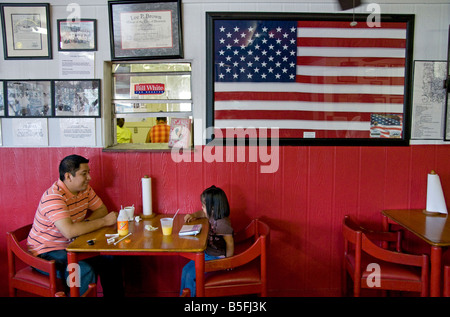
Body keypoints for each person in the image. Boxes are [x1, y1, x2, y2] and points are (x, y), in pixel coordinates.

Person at [27, 154, 124, 296]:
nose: (89, 177)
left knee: (110, 258)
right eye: (84, 174)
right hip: (45, 252)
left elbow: (101, 210)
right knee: (83, 269)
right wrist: (103, 222)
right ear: (68, 176)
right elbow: (69, 232)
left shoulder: (85, 189)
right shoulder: (54, 197)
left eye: (89, 172)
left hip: (72, 246)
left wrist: (84, 225)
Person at [179, 185, 234, 296]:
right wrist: (193, 215)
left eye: (204, 206)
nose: (202, 208)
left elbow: (230, 242)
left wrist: (228, 262)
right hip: (208, 252)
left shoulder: (222, 223)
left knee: (190, 275)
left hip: (217, 256)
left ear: (212, 208)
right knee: (185, 270)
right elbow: (202, 213)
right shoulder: (212, 214)